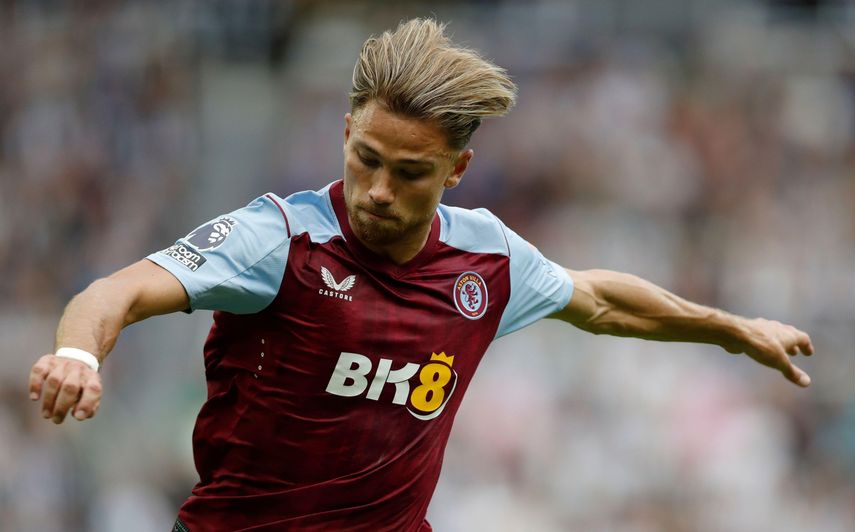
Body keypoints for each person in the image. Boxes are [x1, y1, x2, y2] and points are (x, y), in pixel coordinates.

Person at [27, 18, 814, 532]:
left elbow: (602, 300)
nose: (377, 191)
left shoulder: (485, 261)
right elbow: (116, 291)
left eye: (409, 173)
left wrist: (732, 329)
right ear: (344, 132)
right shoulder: (280, 239)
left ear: (457, 169)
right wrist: (80, 354)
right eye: (364, 159)